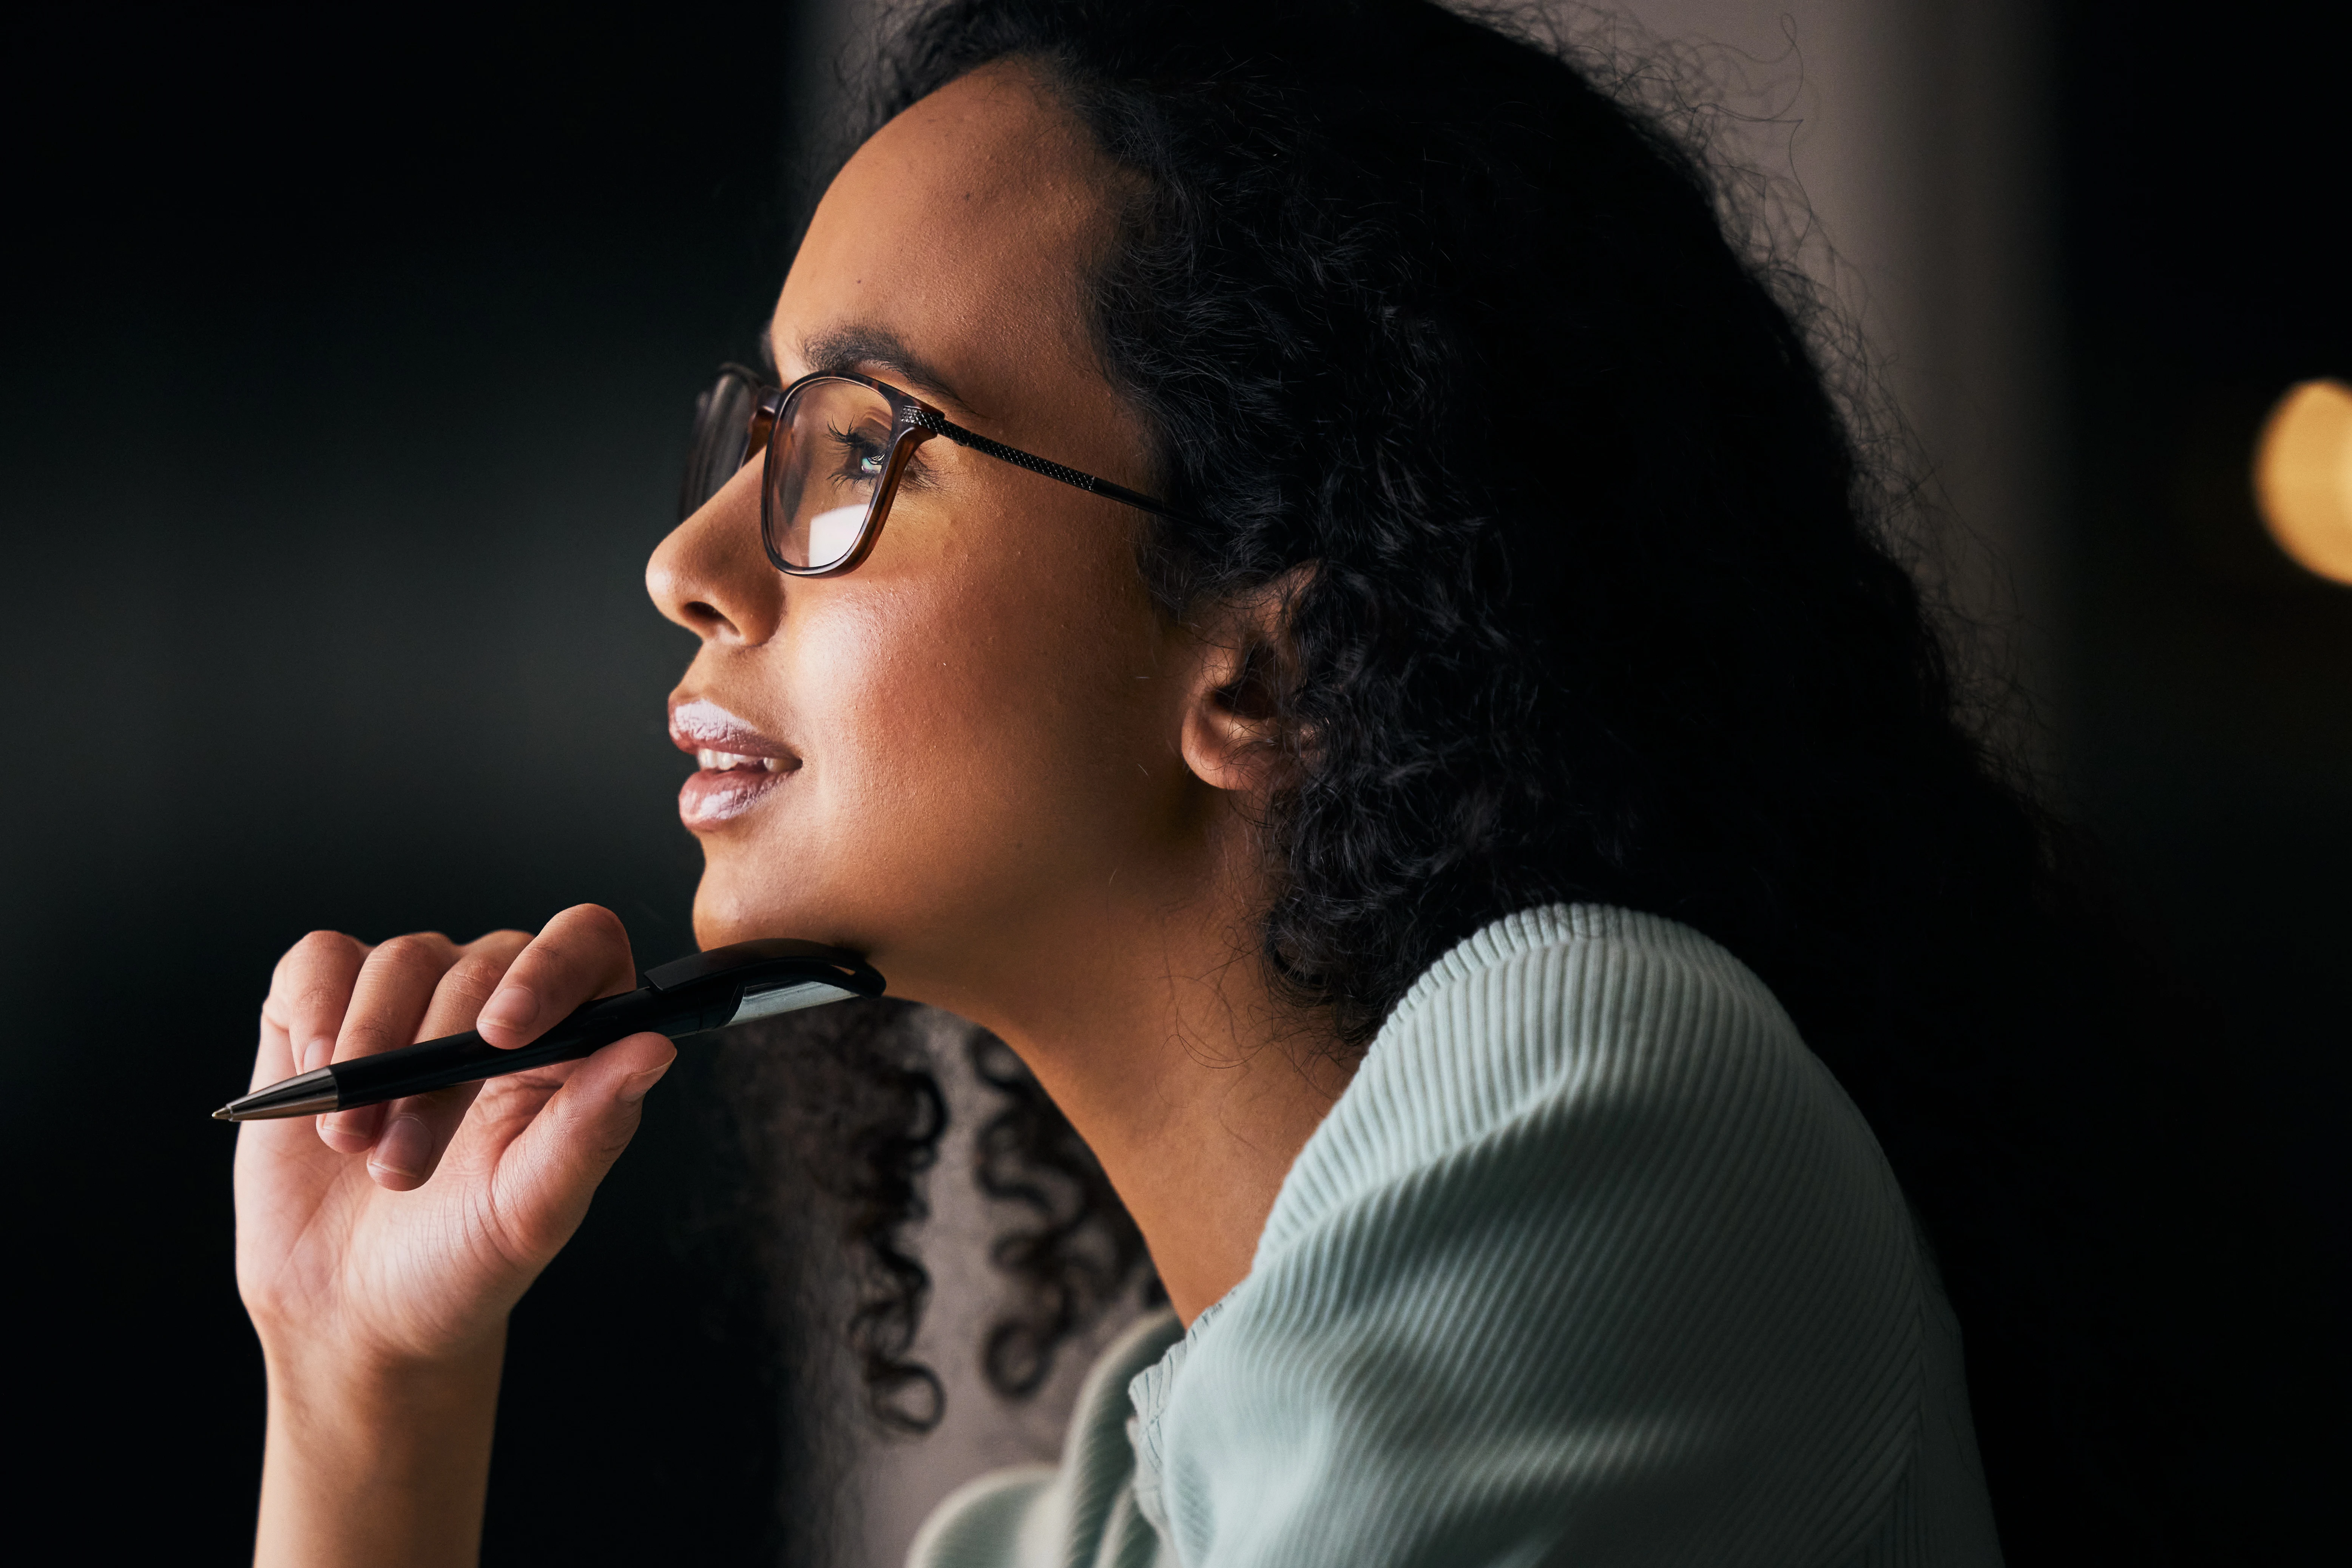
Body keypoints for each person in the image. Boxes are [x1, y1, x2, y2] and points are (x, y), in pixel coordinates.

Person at [231, 2, 2202, 1563]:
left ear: (1265, 659)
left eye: (851, 449)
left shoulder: (1624, 1090)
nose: (688, 564)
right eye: (743, 441)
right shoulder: (1109, 1506)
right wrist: (363, 1392)